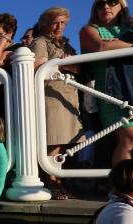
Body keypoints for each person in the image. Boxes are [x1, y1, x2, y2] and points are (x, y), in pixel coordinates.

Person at [81, 0, 133, 165]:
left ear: (122, 6)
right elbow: (100, 46)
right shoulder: (90, 30)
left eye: (112, 2)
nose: (106, 7)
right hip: (112, 92)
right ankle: (121, 188)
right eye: (100, 4)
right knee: (131, 136)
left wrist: (115, 45)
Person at [32, 7, 82, 200]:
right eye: (55, 22)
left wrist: (65, 63)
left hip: (69, 95)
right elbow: (39, 68)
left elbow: (78, 67)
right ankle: (54, 184)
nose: (60, 26)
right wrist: (65, 63)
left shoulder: (65, 44)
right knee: (53, 141)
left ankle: (60, 181)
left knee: (65, 144)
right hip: (52, 96)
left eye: (63, 23)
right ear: (45, 24)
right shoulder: (40, 41)